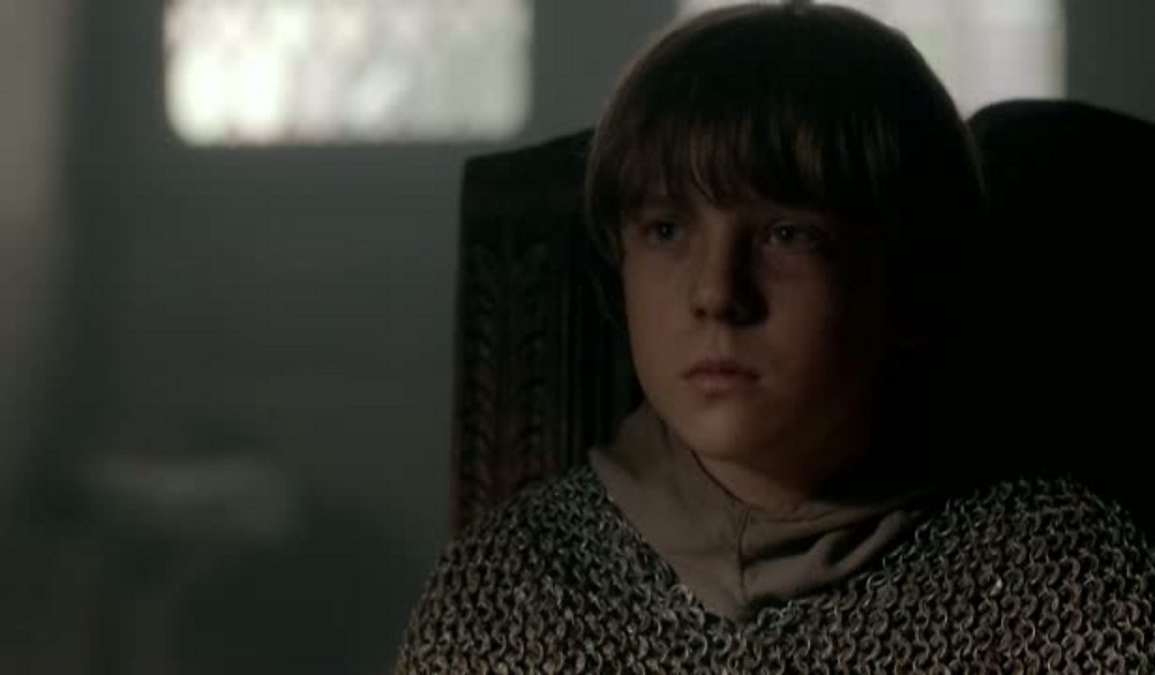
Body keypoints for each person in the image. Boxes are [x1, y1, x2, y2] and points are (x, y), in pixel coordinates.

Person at [396, 4, 1155, 672]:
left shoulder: (1066, 588)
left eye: (787, 234)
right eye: (666, 230)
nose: (716, 294)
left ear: (914, 281)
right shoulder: (515, 594)